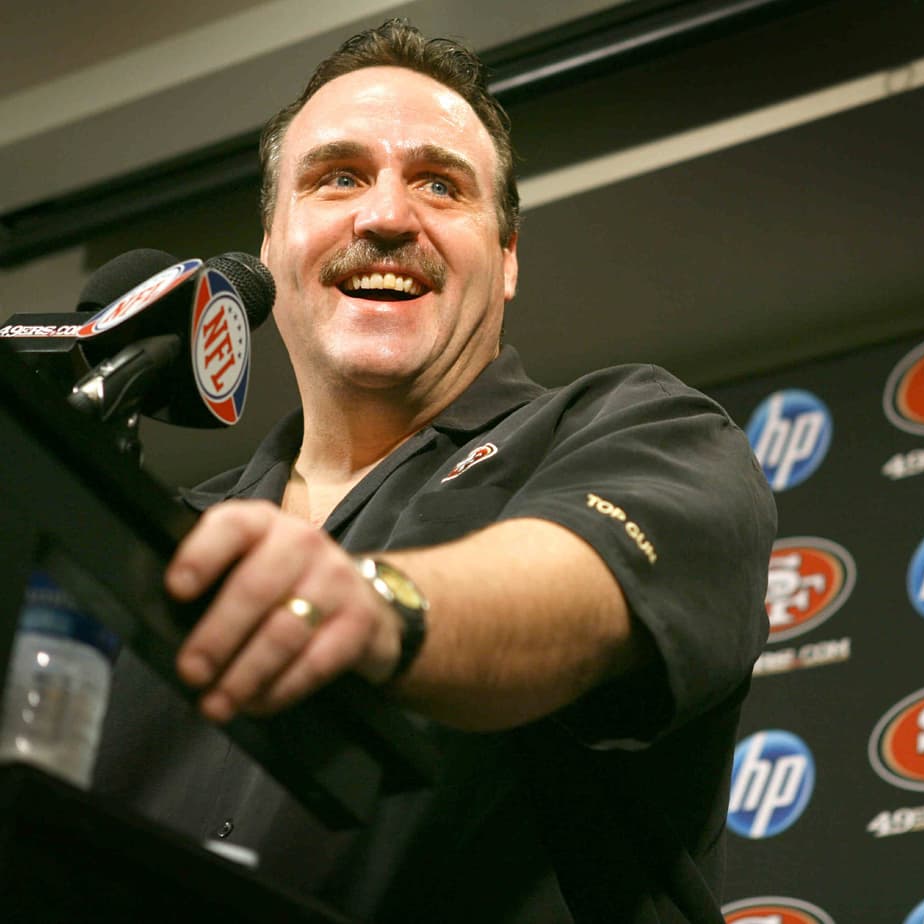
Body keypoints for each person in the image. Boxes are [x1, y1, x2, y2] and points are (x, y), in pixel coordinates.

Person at [95, 18, 775, 924]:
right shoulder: (151, 538)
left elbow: (582, 591)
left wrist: (374, 606)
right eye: (339, 177)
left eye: (440, 185)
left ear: (506, 260)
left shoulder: (642, 427)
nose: (384, 217)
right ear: (270, 248)